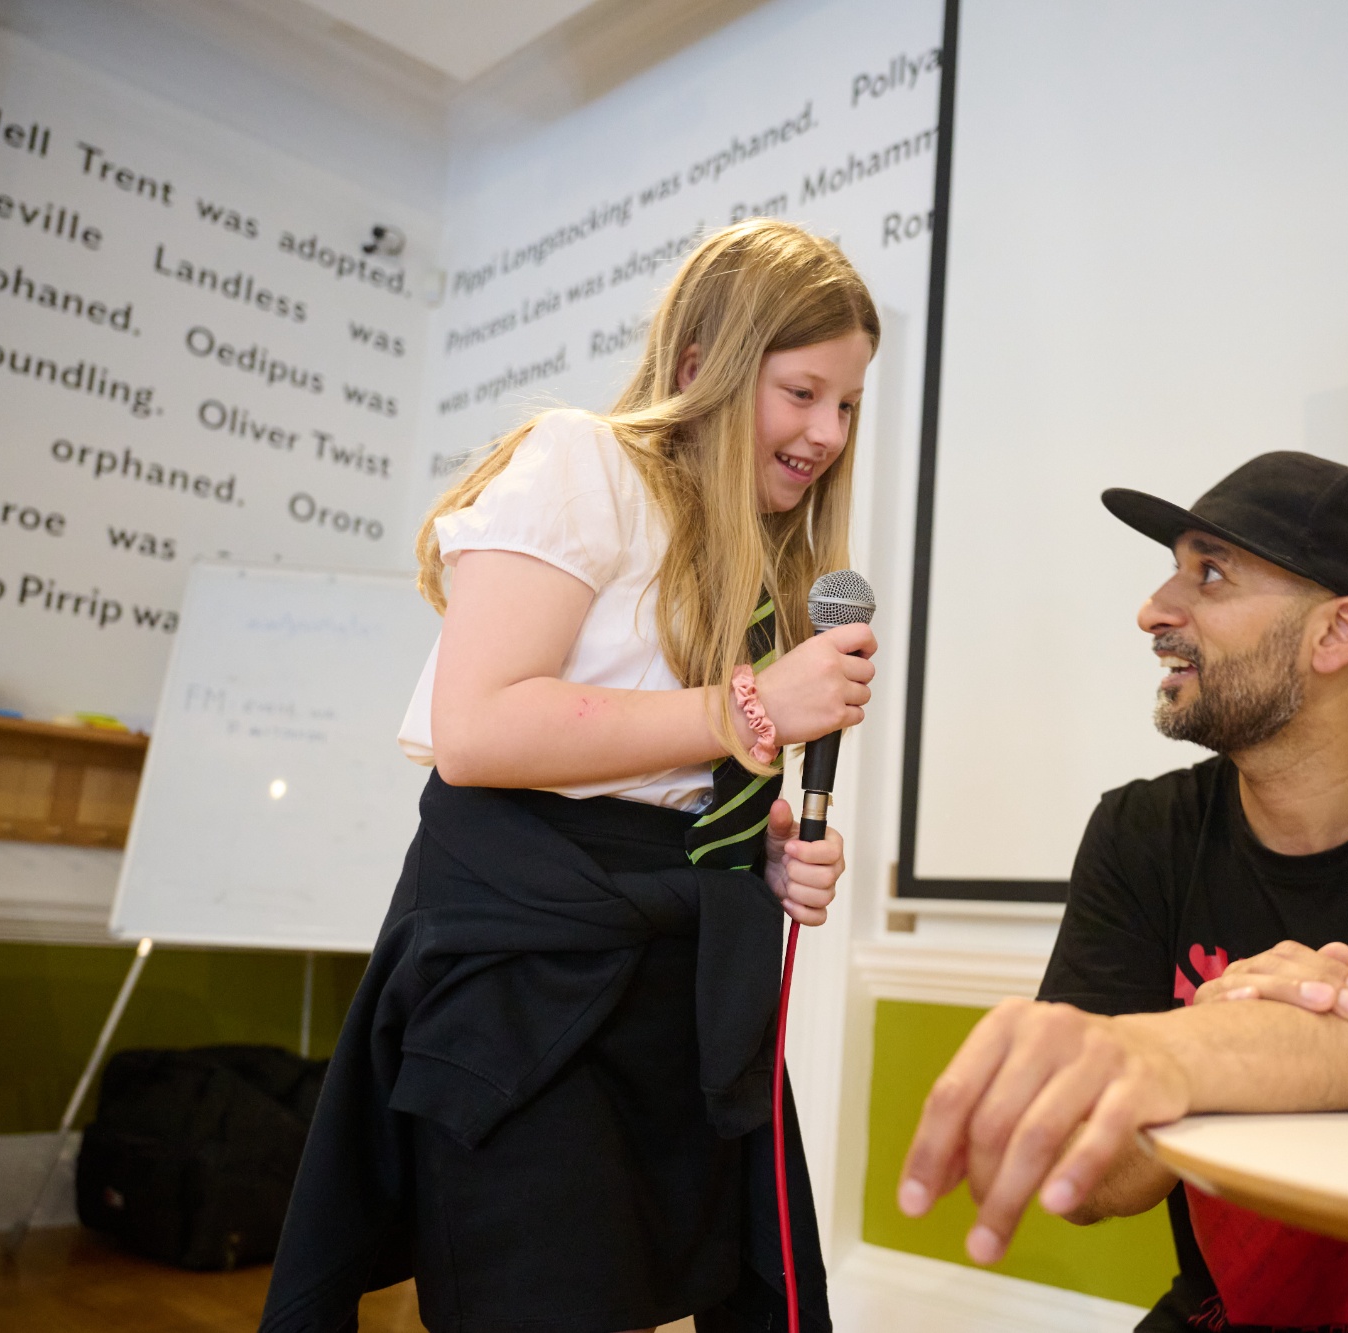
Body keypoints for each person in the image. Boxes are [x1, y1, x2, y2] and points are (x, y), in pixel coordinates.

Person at [260, 219, 879, 1333]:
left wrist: (757, 838)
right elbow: (482, 730)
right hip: (526, 986)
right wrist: (749, 709)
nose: (827, 432)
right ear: (702, 366)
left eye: (846, 405)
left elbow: (647, 774)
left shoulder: (752, 556)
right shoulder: (577, 459)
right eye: (801, 392)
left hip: (680, 988)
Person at [898, 453, 1348, 1332]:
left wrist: (1192, 1051)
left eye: (1211, 573)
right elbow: (1093, 1181)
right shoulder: (1141, 830)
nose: (1156, 609)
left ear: (1337, 633)